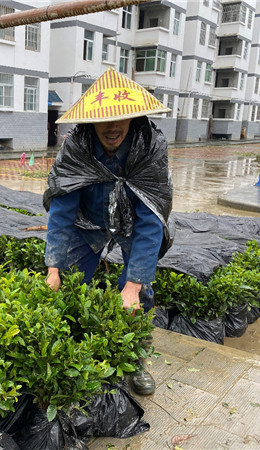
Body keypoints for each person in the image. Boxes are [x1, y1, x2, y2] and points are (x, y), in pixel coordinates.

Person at [43, 68, 173, 395]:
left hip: (133, 219)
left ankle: (136, 360)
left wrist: (132, 284)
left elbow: (150, 218)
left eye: (121, 118)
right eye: (105, 120)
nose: (113, 127)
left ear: (134, 117)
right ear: (91, 120)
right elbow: (62, 208)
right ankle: (72, 351)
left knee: (138, 293)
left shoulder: (149, 146)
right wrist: (54, 268)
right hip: (87, 219)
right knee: (69, 285)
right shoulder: (77, 146)